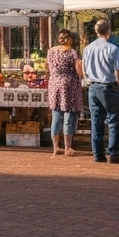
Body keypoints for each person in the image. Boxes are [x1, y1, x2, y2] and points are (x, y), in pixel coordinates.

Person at [83, 19, 119, 164]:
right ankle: (115, 153)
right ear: (109, 31)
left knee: (96, 120)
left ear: (96, 32)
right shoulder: (112, 49)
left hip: (93, 87)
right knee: (115, 120)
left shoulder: (88, 48)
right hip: (108, 86)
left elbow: (84, 70)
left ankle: (98, 153)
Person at [47, 29, 84, 157]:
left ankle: (55, 147)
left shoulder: (50, 51)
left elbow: (49, 68)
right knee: (68, 116)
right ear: (70, 39)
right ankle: (68, 147)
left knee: (56, 116)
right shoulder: (72, 52)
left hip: (54, 85)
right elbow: (79, 70)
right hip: (69, 86)